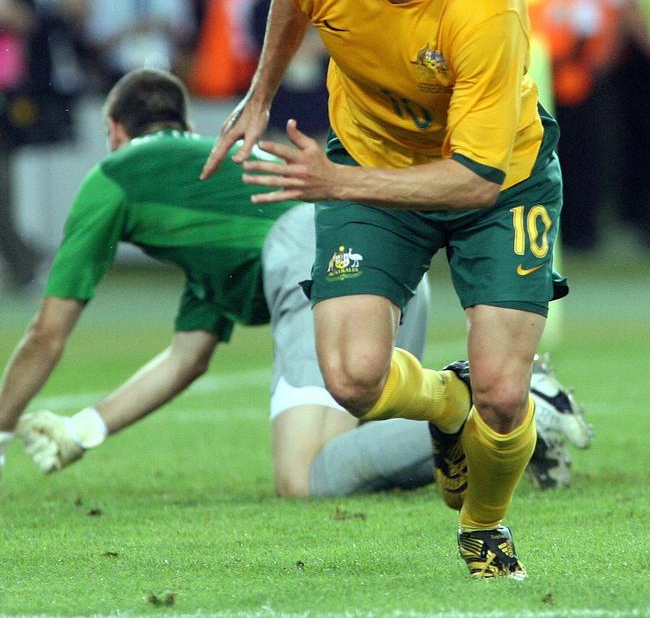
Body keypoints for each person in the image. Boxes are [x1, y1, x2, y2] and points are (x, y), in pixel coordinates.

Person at [200, 0, 568, 579]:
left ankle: (483, 527)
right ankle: (444, 406)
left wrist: (333, 182)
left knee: (504, 393)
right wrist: (261, 94)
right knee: (354, 379)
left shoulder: (485, 5)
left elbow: (475, 176)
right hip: (371, 163)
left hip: (499, 182)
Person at [0, 69, 591, 498]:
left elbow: (48, 332)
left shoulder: (114, 173)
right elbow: (186, 359)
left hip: (314, 254)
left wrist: (2, 428)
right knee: (366, 452)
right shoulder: (213, 227)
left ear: (114, 130)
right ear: (184, 127)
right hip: (379, 249)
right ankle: (506, 431)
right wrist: (84, 429)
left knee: (305, 476)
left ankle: (513, 402)